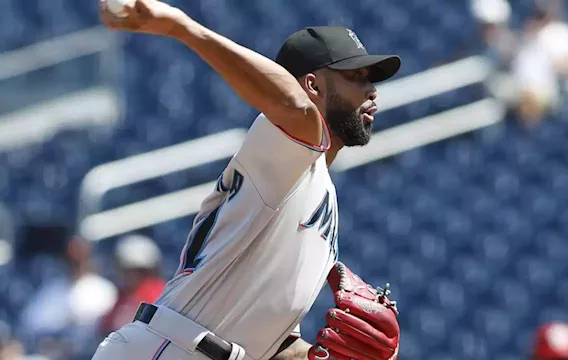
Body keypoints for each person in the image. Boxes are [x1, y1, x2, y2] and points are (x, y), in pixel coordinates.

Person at [93, 1, 401, 360]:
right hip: (170, 348)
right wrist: (183, 28)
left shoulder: (320, 195)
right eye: (357, 77)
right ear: (312, 86)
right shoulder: (291, 147)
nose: (372, 91)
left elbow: (278, 345)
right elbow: (293, 105)